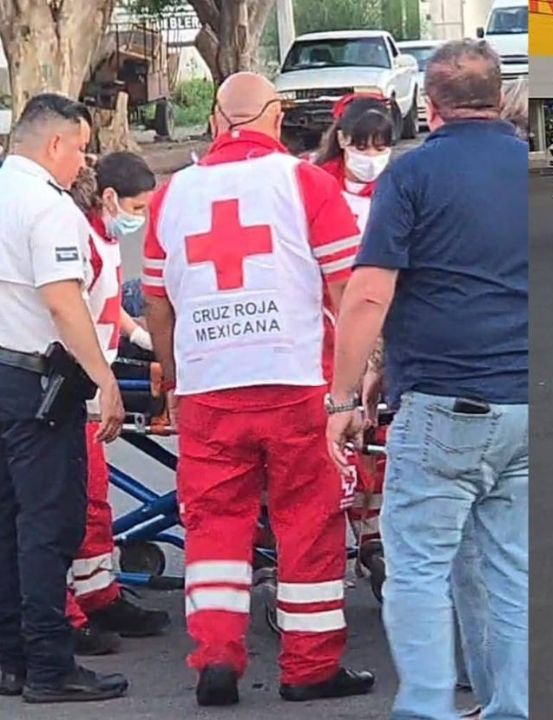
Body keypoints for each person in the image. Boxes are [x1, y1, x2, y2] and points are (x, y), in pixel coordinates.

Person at [141, 71, 374, 707]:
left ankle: (215, 657)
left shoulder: (171, 194)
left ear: (217, 121)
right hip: (296, 381)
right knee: (307, 519)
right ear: (275, 117)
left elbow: (157, 304)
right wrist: (356, 381)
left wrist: (172, 377)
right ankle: (310, 666)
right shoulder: (308, 183)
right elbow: (346, 290)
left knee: (214, 524)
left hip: (209, 387)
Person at [326, 39, 529, 720]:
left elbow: (367, 295)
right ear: (497, 96)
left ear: (430, 107)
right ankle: (511, 707)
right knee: (509, 571)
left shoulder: (412, 175)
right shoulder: (529, 167)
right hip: (525, 402)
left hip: (447, 405)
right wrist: (389, 365)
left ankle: (426, 709)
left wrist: (342, 395)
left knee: (418, 570)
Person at [0, 93, 128, 703]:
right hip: (35, 384)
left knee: (5, 519)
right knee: (48, 526)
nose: (83, 163)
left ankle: (16, 661)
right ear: (55, 144)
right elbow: (62, 301)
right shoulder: (47, 207)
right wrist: (104, 379)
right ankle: (51, 666)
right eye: (80, 149)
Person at [61, 152, 171, 652]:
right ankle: (68, 610)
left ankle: (98, 594)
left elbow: (105, 304)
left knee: (94, 499)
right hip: (79, 378)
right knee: (73, 502)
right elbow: (70, 309)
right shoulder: (76, 236)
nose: (140, 218)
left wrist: (142, 338)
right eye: (137, 207)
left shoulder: (101, 237)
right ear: (109, 197)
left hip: (97, 373)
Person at [311, 92, 395, 558]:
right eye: (363, 145)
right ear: (342, 140)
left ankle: (372, 537)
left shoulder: (396, 189)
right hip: (324, 330)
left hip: (384, 326)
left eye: (381, 146)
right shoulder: (316, 187)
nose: (371, 156)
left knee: (375, 440)